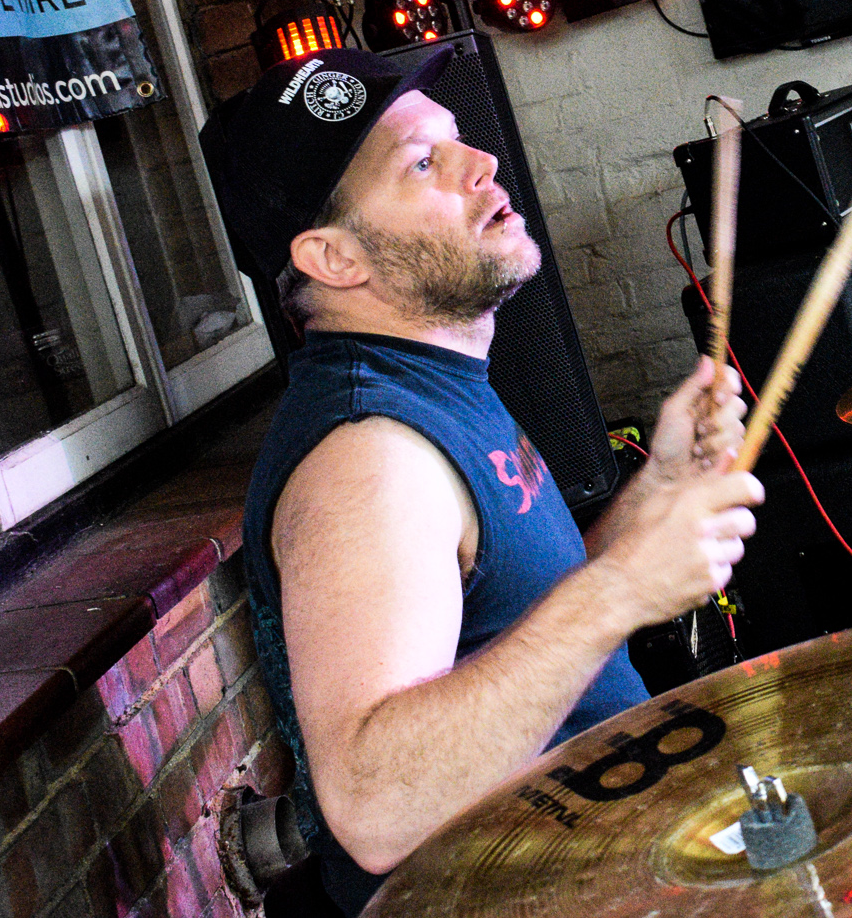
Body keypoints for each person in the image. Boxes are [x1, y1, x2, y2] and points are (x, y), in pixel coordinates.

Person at [199, 48, 761, 915]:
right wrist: (621, 590)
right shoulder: (369, 458)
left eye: (456, 137)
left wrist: (653, 493)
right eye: (424, 163)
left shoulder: (432, 382)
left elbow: (505, 619)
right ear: (334, 257)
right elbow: (375, 808)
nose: (481, 163)